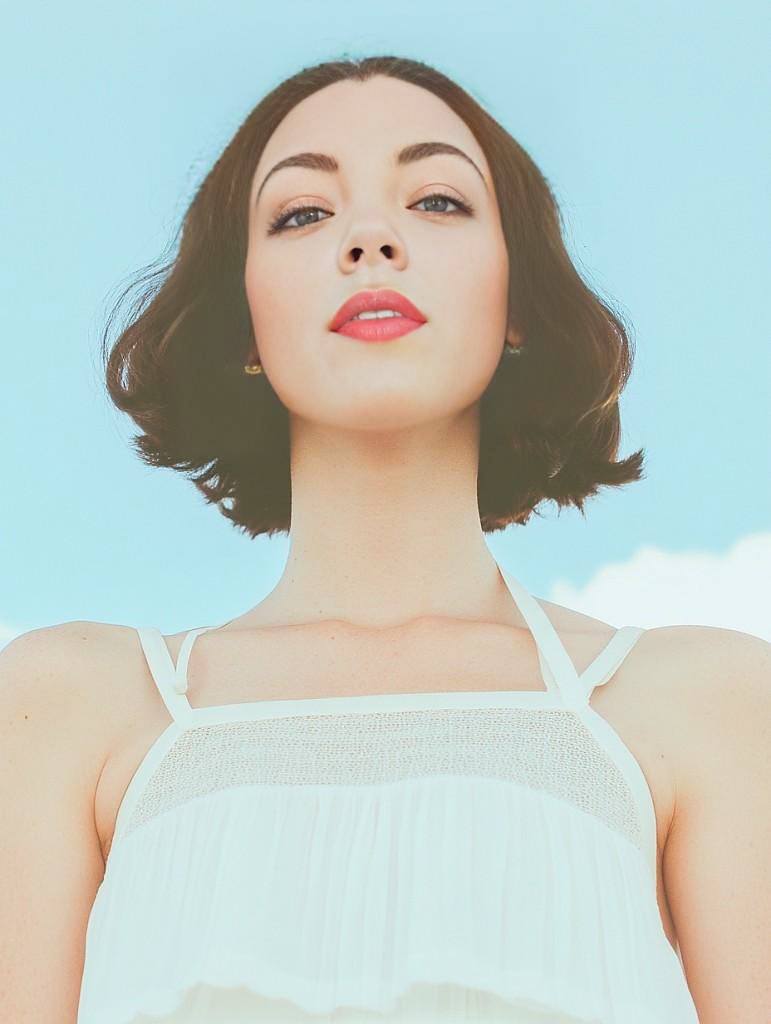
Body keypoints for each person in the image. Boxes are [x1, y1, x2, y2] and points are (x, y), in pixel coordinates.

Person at [2, 54, 767, 1024]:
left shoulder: (704, 706)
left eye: (438, 201)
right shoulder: (68, 711)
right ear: (244, 320)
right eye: (303, 213)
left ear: (518, 301)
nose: (370, 238)